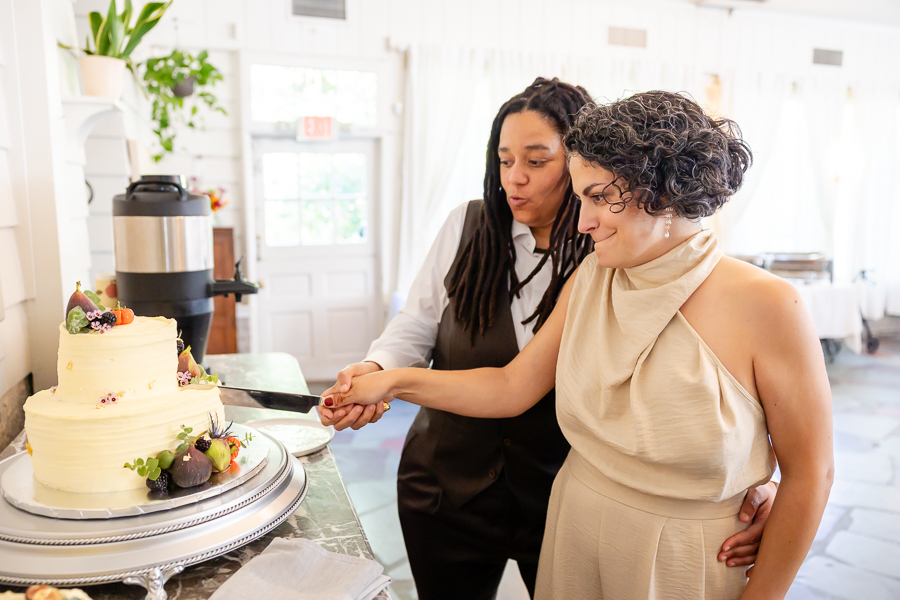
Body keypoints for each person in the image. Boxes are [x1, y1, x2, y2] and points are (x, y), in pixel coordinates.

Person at [321, 84, 781, 600]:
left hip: (562, 491)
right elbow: (437, 337)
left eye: (537, 161)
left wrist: (749, 481)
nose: (514, 177)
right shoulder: (492, 235)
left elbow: (726, 402)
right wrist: (381, 371)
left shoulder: (619, 254)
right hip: (454, 483)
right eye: (504, 159)